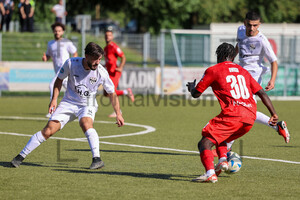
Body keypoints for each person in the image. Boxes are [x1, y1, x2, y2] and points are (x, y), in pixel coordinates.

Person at [11, 42, 124, 169]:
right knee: (48, 130)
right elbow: (59, 79)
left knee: (85, 123)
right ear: (86, 56)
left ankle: (97, 159)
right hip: (68, 102)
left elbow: (112, 93)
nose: (98, 62)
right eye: (95, 59)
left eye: (99, 59)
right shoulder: (71, 63)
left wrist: (118, 113)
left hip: (87, 104)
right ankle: (20, 157)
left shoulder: (101, 72)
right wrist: (54, 99)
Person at [187, 43, 280, 183]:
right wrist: (273, 114)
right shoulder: (243, 72)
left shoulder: (213, 70)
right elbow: (261, 92)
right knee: (221, 137)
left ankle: (210, 173)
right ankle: (223, 161)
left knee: (204, 143)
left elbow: (196, 94)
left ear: (219, 55)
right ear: (232, 56)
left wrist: (191, 88)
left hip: (233, 114)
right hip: (250, 116)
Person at [223, 11, 290, 153]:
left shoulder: (262, 40)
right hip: (240, 73)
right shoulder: (240, 31)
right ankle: (277, 126)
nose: (251, 28)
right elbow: (239, 45)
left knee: (241, 109)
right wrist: (231, 60)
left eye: (255, 25)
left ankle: (227, 145)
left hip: (253, 75)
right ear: (244, 23)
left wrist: (272, 80)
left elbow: (274, 61)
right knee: (245, 110)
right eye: (249, 25)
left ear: (259, 25)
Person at [42, 22, 78, 117]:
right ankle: (82, 104)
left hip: (65, 68)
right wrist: (46, 58)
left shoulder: (66, 42)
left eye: (59, 31)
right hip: (58, 70)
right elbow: (49, 55)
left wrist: (73, 64)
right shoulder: (51, 43)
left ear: (62, 32)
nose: (57, 32)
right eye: (55, 30)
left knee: (52, 85)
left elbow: (75, 53)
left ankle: (52, 110)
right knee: (72, 89)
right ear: (53, 31)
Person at [104, 28, 134, 117]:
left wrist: (120, 67)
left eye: (109, 35)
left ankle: (118, 110)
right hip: (108, 73)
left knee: (111, 91)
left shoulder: (114, 47)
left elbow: (123, 57)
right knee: (106, 93)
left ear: (112, 37)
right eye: (106, 35)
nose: (107, 37)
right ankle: (126, 92)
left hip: (114, 72)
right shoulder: (106, 48)